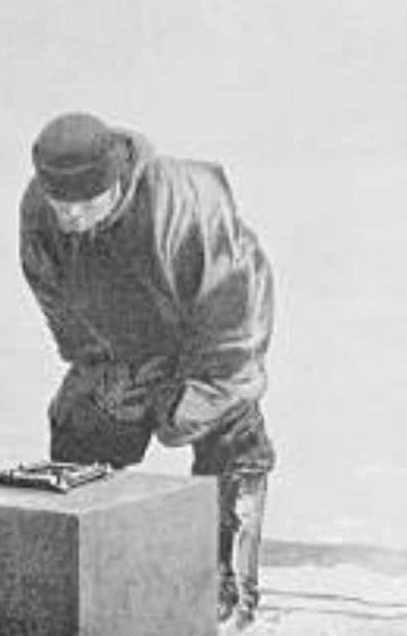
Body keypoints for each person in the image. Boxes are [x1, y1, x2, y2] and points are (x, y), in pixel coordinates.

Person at [18, 112, 275, 629]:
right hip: (126, 333)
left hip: (209, 324)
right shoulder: (40, 212)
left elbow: (231, 316)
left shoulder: (183, 205)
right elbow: (58, 302)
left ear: (117, 183)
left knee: (231, 437)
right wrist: (100, 369)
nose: (71, 217)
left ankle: (226, 588)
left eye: (87, 203)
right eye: (61, 205)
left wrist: (199, 395)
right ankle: (91, 567)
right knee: (80, 423)